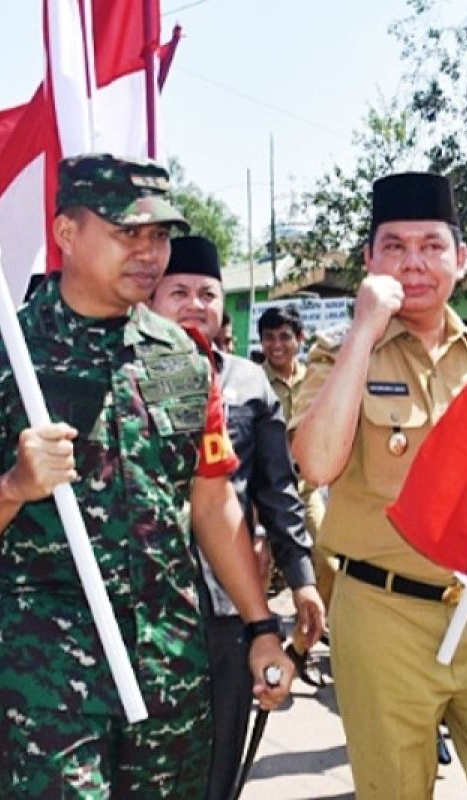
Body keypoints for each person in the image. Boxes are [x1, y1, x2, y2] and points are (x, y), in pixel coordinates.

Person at [0, 153, 292, 797]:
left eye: (159, 235)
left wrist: (261, 628)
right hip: (49, 680)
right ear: (68, 233)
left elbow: (211, 504)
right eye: (128, 232)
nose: (149, 252)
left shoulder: (181, 355)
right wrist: (13, 486)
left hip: (169, 664)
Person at [291, 171, 467, 799]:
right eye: (395, 247)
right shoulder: (339, 355)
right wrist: (363, 330)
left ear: (461, 260)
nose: (415, 264)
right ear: (369, 261)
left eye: (432, 246)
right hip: (383, 617)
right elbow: (317, 464)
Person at [148, 234, 324, 798]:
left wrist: (301, 581)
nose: (195, 305)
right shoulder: (120, 376)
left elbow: (277, 491)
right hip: (145, 612)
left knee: (219, 768)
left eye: (207, 293)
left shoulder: (248, 385)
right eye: (178, 291)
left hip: (229, 608)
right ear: (148, 299)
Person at [258, 304, 334, 613]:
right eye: (269, 337)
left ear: (299, 339)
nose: (276, 345)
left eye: (285, 337)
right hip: (260, 500)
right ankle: (257, 638)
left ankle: (307, 640)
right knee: (256, 571)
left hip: (304, 493)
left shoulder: (317, 379)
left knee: (329, 564)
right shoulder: (253, 381)